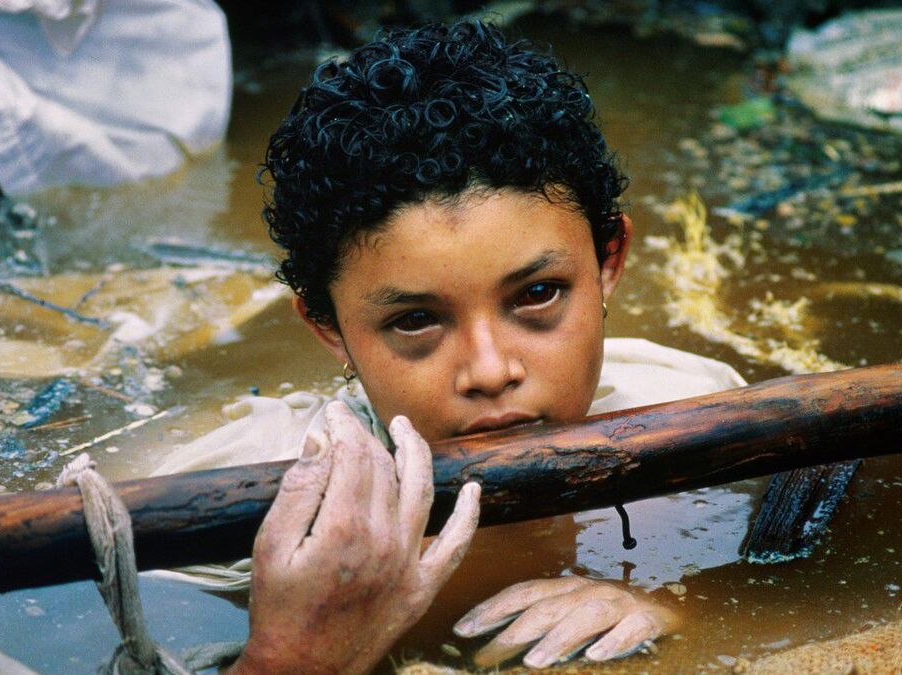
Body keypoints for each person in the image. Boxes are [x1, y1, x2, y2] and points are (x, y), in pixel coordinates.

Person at [152, 19, 747, 672]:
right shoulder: (225, 525)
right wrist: (288, 658)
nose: (491, 371)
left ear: (609, 262)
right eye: (414, 321)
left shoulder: (700, 415)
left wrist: (677, 606)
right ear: (329, 329)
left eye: (539, 292)